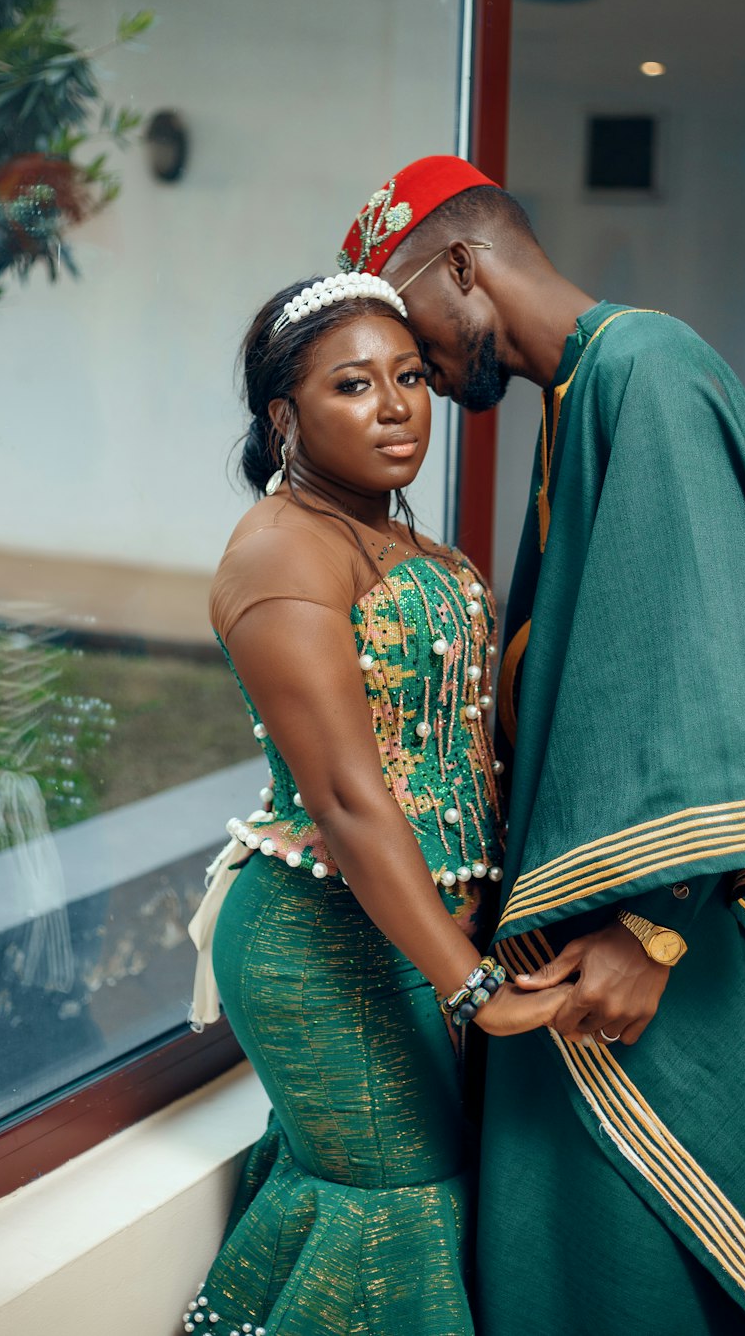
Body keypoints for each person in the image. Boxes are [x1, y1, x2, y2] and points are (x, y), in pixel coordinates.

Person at [337, 156, 745, 1336]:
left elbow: (710, 672)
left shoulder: (646, 373)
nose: (423, 380)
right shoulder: (585, 396)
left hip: (663, 931)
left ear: (462, 266)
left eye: (415, 331)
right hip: (623, 921)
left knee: (636, 1256)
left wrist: (654, 928)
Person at [181, 271, 567, 1336]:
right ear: (283, 417)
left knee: (415, 1198)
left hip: (433, 935)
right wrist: (474, 986)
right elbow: (349, 796)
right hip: (327, 943)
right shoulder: (280, 550)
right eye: (353, 385)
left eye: (410, 377)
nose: (396, 407)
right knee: (396, 1205)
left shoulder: (409, 545)